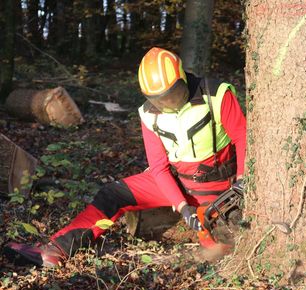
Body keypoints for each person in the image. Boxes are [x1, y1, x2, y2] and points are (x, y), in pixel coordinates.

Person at [5, 47, 246, 268]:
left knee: (217, 240)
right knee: (114, 194)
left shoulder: (216, 95)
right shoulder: (148, 114)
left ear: (183, 79)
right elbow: (159, 167)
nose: (167, 104)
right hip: (177, 181)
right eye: (159, 99)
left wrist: (242, 181)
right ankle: (55, 250)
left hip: (218, 184)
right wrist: (182, 207)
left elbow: (242, 136)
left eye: (173, 95)